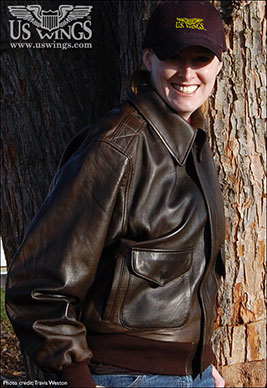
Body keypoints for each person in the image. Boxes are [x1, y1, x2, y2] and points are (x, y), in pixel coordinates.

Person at [6, 1, 227, 387]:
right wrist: (78, 379)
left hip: (192, 374)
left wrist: (201, 366)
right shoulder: (115, 147)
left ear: (218, 65)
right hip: (126, 377)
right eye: (173, 56)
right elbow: (37, 287)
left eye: (201, 57)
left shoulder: (195, 142)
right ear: (147, 58)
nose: (188, 72)